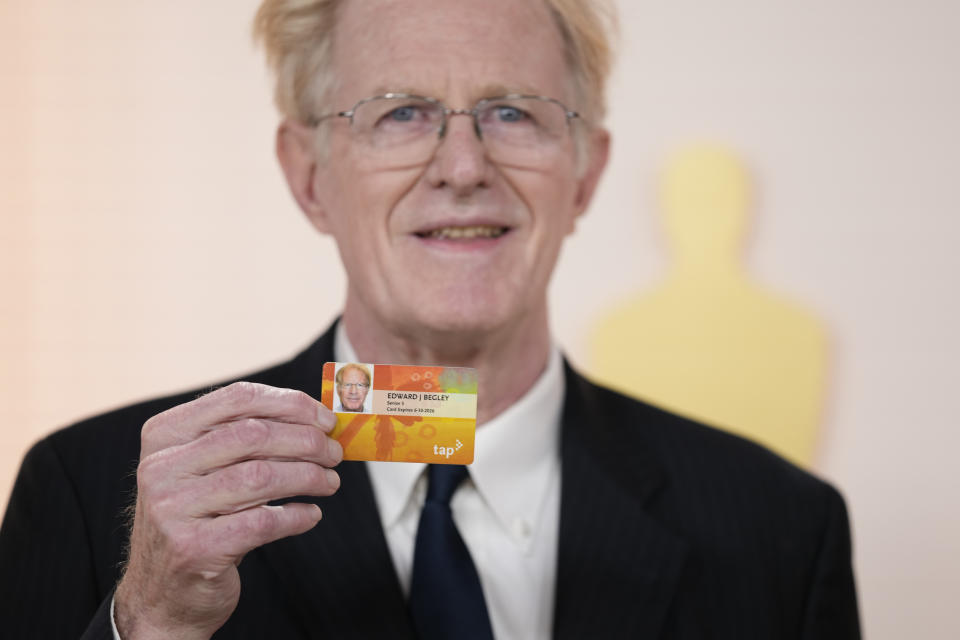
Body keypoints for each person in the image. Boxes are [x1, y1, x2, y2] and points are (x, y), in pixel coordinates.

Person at [0, 0, 861, 638]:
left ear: (586, 176)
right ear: (309, 176)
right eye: (400, 112)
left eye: (513, 113)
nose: (461, 166)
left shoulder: (781, 530)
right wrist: (146, 624)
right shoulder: (89, 493)